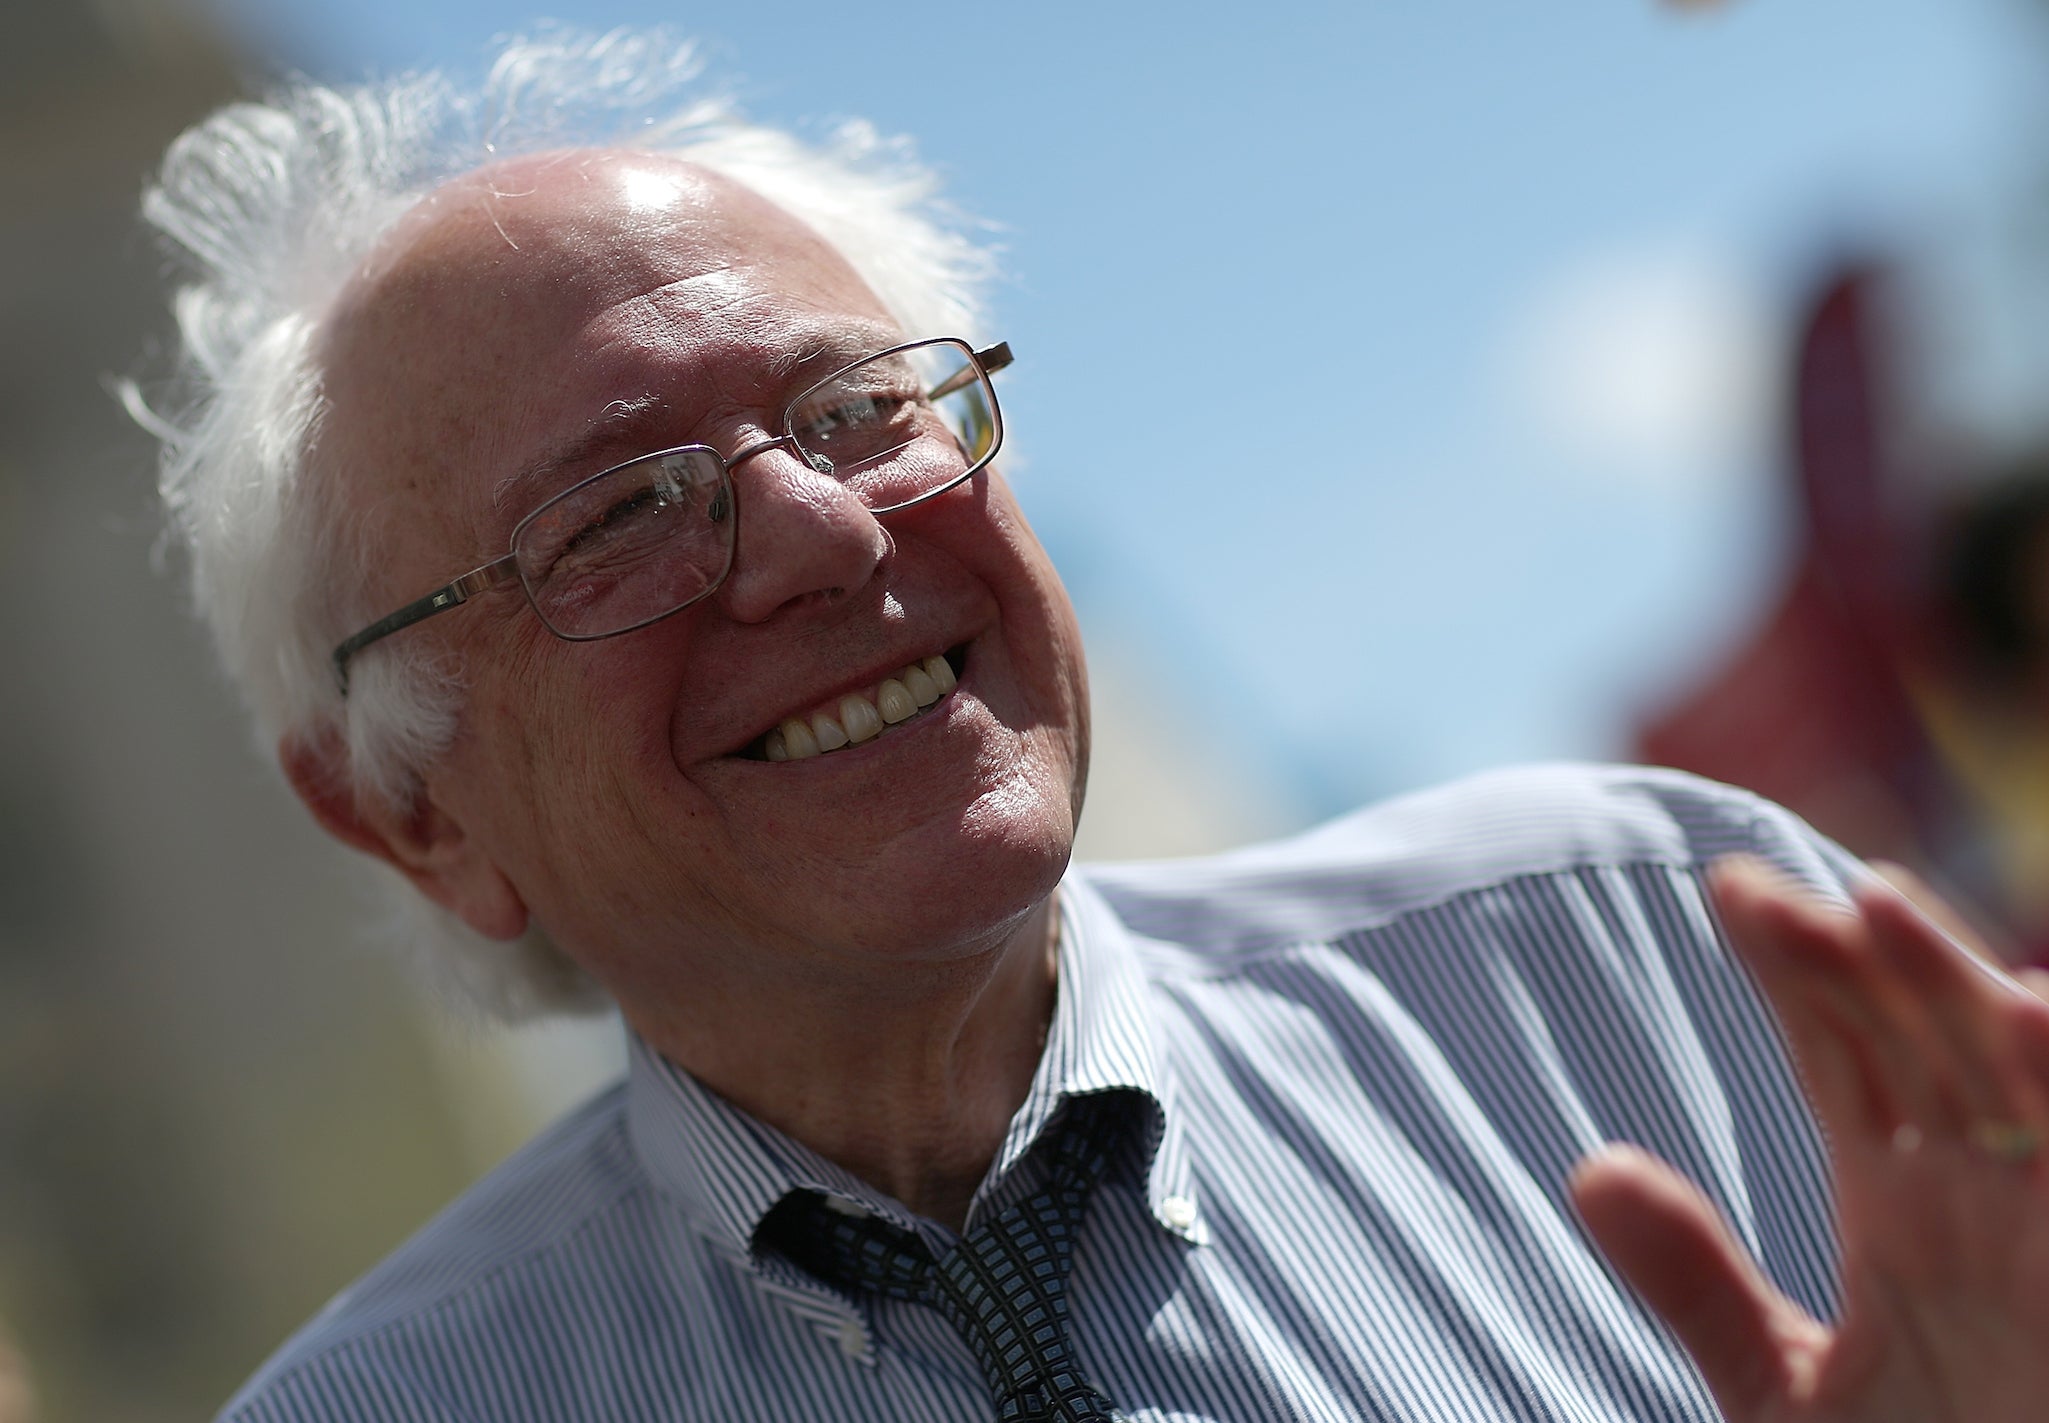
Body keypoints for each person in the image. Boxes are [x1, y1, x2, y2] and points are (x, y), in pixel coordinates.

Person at [133, 30, 2049, 1423]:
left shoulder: (1650, 946)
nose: (814, 532)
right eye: (618, 513)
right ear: (412, 818)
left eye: (859, 411)